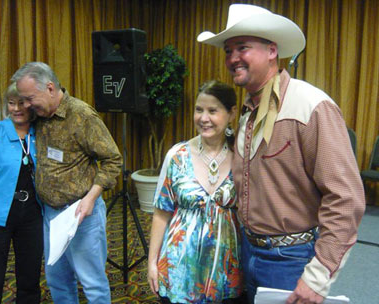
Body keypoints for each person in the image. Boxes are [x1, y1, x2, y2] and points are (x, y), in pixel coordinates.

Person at [197, 4, 365, 304]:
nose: (233, 58)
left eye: (243, 47)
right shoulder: (248, 115)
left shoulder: (310, 105)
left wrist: (318, 277)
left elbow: (346, 199)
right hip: (247, 251)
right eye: (228, 50)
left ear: (272, 51)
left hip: (291, 259)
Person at [0, 62, 122, 303]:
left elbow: (112, 160)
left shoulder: (82, 115)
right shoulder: (39, 117)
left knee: (92, 282)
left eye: (29, 98)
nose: (26, 105)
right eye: (21, 99)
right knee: (57, 280)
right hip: (49, 214)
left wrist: (90, 198)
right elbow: (13, 126)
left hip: (81, 213)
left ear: (50, 88)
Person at [148, 80, 244, 304]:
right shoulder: (177, 155)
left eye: (213, 111)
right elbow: (161, 213)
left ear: (231, 113)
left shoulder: (242, 158)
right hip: (179, 269)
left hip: (226, 272)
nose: (203, 118)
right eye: (199, 110)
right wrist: (152, 263)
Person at [0, 82, 43, 303]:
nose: (16, 108)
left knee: (30, 276)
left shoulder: (42, 134)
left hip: (32, 215)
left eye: (22, 103)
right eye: (11, 103)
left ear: (31, 105)